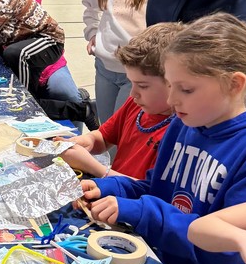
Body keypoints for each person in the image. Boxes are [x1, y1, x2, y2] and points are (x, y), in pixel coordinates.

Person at [82, 12, 246, 264]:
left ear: (234, 84)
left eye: (186, 89)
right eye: (169, 86)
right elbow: (156, 189)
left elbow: (229, 253)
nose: (171, 99)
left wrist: (142, 212)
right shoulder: (185, 124)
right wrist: (112, 190)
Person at [55, 22, 180, 180]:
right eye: (131, 82)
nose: (133, 93)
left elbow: (150, 191)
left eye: (143, 86)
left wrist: (93, 167)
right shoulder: (136, 104)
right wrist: (86, 141)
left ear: (176, 83)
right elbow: (104, 137)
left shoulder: (180, 133)